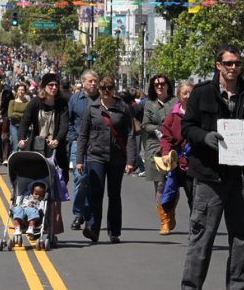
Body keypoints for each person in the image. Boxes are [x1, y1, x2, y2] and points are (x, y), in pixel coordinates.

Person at [180, 46, 244, 290]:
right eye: (228, 63)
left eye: (237, 63)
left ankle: (237, 286)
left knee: (241, 239)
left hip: (241, 177)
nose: (233, 68)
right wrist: (204, 137)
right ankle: (191, 287)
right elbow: (187, 127)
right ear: (218, 65)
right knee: (202, 238)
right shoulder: (201, 93)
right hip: (210, 177)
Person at [76, 76, 136, 244]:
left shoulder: (123, 108)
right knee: (96, 191)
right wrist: (79, 159)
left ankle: (114, 231)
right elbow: (83, 135)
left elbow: (131, 135)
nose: (106, 91)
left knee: (114, 194)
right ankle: (92, 229)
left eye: (109, 88)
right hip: (96, 155)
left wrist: (131, 160)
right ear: (99, 90)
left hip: (117, 158)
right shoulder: (92, 108)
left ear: (114, 89)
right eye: (103, 88)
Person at [18, 73, 69, 182]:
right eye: (51, 85)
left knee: (60, 180)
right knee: (37, 179)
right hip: (38, 145)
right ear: (44, 86)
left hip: (55, 146)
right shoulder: (35, 102)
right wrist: (21, 138)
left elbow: (64, 125)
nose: (54, 88)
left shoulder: (62, 103)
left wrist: (57, 139)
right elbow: (25, 122)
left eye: (56, 85)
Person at [142, 74, 176, 235]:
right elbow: (145, 125)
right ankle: (164, 220)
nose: (160, 86)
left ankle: (171, 211)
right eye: (156, 84)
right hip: (155, 147)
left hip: (174, 147)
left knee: (174, 184)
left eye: (162, 83)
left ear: (168, 85)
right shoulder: (150, 104)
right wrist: (160, 129)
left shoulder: (175, 102)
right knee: (160, 185)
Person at [67, 70, 99, 231]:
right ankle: (79, 213)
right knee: (80, 178)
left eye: (95, 81)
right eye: (90, 81)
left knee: (92, 181)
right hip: (78, 144)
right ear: (83, 82)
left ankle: (90, 214)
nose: (93, 83)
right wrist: (73, 138)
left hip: (97, 146)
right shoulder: (75, 99)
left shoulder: (102, 99)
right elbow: (69, 121)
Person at [159, 80, 195, 213]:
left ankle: (196, 224)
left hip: (195, 163)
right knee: (169, 195)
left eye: (191, 93)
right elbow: (166, 137)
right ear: (179, 96)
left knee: (195, 199)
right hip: (178, 163)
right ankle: (167, 219)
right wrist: (165, 153)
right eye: (185, 93)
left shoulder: (199, 113)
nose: (188, 96)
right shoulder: (173, 116)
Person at [8, 82, 31, 156]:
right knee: (15, 143)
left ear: (25, 92)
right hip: (14, 125)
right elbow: (10, 115)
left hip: (23, 126)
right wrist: (22, 116)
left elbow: (27, 115)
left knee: (22, 144)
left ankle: (20, 158)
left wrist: (16, 114)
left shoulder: (27, 103)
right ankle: (14, 157)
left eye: (22, 90)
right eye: (19, 90)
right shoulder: (12, 102)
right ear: (16, 91)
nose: (21, 91)